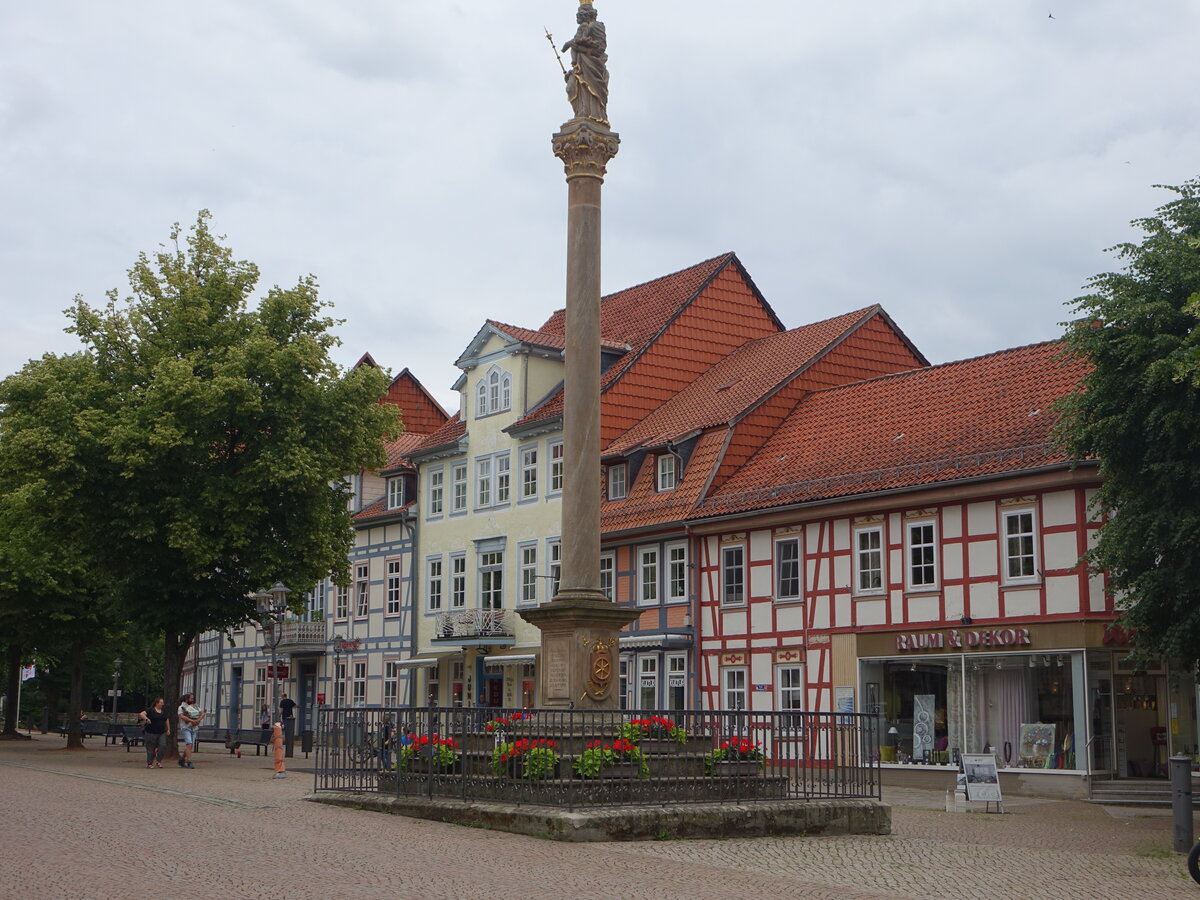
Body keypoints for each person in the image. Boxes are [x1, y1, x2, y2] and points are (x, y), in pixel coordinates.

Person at [561, 3, 609, 124]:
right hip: (579, 66)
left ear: (586, 15)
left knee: (590, 89)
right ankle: (580, 114)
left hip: (593, 65)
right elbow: (573, 44)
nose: (577, 17)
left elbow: (601, 47)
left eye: (579, 14)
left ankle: (593, 116)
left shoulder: (596, 26)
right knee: (571, 88)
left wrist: (583, 49)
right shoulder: (583, 28)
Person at [138, 697, 170, 768]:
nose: (162, 704)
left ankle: (159, 761)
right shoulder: (150, 710)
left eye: (163, 703)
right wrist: (146, 719)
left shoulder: (164, 711)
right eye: (161, 703)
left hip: (161, 732)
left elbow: (166, 720)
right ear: (157, 703)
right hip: (151, 732)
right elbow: (141, 714)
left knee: (163, 745)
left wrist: (168, 729)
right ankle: (150, 763)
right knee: (150, 748)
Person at [177, 693, 204, 768]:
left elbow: (202, 713)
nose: (192, 700)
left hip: (194, 728)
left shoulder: (195, 706)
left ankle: (182, 759)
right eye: (191, 698)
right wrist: (191, 720)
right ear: (186, 699)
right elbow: (181, 716)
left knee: (190, 746)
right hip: (186, 728)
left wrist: (198, 720)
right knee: (189, 744)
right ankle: (188, 761)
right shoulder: (181, 707)